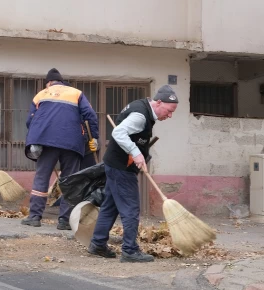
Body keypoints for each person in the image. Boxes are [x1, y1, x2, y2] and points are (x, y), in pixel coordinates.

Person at [88, 85, 178, 263]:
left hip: (115, 164)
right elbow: (118, 132)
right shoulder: (140, 115)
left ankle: (97, 244)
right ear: (159, 102)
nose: (169, 115)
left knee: (110, 206)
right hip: (121, 167)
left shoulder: (142, 107)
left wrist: (141, 153)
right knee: (131, 209)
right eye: (169, 111)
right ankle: (130, 250)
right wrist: (136, 153)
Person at [21, 68, 99, 230]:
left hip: (47, 142)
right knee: (69, 181)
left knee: (42, 177)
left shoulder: (41, 94)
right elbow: (90, 115)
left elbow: (30, 121)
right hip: (72, 143)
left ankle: (35, 216)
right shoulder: (77, 93)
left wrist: (37, 137)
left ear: (49, 82)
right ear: (62, 82)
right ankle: (64, 221)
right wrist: (94, 138)